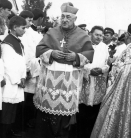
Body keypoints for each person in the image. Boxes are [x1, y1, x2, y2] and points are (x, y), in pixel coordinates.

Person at [34, 2, 94, 138]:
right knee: (46, 114)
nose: (65, 20)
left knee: (64, 118)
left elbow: (89, 55)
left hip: (70, 81)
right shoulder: (52, 32)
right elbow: (40, 49)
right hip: (50, 78)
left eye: (68, 17)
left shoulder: (83, 35)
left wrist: (76, 56)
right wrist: (51, 53)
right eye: (63, 17)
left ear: (75, 19)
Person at [91, 21, 131, 138]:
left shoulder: (128, 50)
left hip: (119, 93)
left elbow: (117, 71)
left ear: (128, 35)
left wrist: (114, 64)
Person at [78, 25, 109, 138]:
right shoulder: (83, 44)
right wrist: (89, 71)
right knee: (82, 111)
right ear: (91, 33)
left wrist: (102, 69)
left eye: (101, 35)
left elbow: (107, 63)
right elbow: (78, 62)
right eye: (97, 34)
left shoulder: (104, 47)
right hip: (85, 80)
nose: (99, 37)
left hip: (98, 81)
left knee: (94, 111)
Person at [0, 16, 27, 138]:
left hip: (17, 81)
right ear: (15, 28)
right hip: (10, 82)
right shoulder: (7, 43)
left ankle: (9, 130)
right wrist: (17, 79)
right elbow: (8, 65)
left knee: (13, 108)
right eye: (23, 28)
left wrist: (23, 76)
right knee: (7, 108)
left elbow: (22, 62)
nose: (25, 30)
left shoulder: (18, 42)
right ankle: (4, 132)